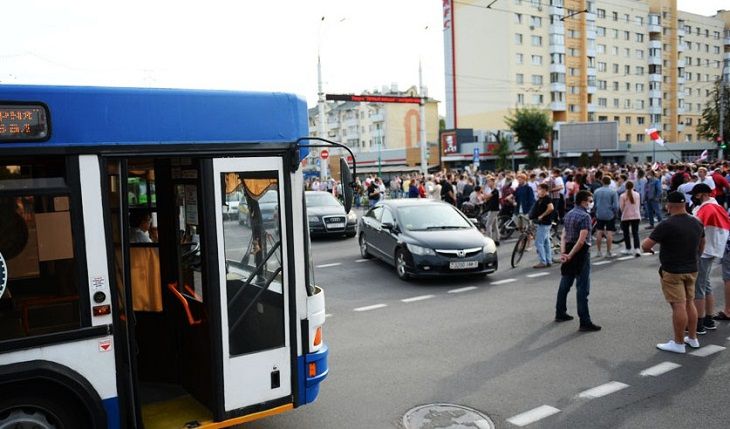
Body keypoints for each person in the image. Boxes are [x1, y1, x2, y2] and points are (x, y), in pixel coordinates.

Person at [641, 191, 704, 353]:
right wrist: (696, 256)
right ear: (684, 204)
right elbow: (702, 244)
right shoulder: (697, 221)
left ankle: (678, 343)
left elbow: (646, 245)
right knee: (690, 302)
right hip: (692, 267)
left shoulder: (667, 224)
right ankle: (692, 338)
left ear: (669, 205)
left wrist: (651, 250)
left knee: (678, 305)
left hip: (672, 270)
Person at [555, 190, 601, 332]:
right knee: (582, 288)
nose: (591, 203)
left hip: (568, 248)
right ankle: (584, 321)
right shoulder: (585, 216)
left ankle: (560, 312)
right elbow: (582, 241)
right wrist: (571, 254)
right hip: (580, 253)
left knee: (565, 283)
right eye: (590, 200)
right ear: (583, 202)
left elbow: (563, 235)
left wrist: (564, 253)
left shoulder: (569, 214)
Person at [689, 183, 730, 334]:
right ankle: (708, 319)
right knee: (706, 285)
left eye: (695, 194)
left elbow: (695, 230)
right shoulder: (718, 207)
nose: (694, 197)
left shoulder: (706, 209)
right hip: (713, 250)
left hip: (704, 251)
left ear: (701, 194)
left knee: (698, 288)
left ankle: (698, 323)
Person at [593, 176, 619, 258]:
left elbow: (594, 202)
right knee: (609, 232)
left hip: (599, 213)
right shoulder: (613, 192)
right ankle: (608, 252)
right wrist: (615, 213)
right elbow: (616, 205)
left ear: (602, 181)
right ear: (609, 182)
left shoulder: (596, 191)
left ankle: (598, 251)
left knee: (599, 231)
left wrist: (595, 211)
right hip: (609, 213)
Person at [530, 183, 554, 269]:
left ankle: (543, 261)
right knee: (546, 242)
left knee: (538, 242)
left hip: (544, 223)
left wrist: (542, 215)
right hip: (544, 223)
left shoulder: (547, 198)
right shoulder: (541, 198)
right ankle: (549, 260)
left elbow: (551, 208)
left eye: (540, 189)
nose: (538, 190)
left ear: (544, 190)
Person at [619, 181, 642, 256]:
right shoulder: (637, 194)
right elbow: (638, 205)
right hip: (636, 215)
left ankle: (628, 248)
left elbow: (621, 207)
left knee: (626, 233)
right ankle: (637, 249)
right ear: (633, 186)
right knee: (635, 233)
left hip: (626, 216)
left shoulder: (622, 196)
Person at [483, 176, 500, 245]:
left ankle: (489, 240)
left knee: (488, 225)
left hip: (494, 210)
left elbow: (486, 197)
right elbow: (486, 198)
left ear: (493, 182)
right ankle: (497, 239)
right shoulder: (492, 191)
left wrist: (482, 191)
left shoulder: (495, 191)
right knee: (494, 225)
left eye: (489, 182)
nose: (488, 183)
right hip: (492, 209)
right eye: (487, 182)